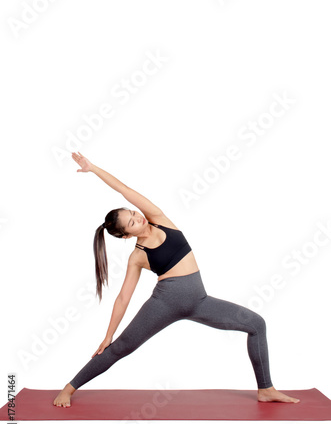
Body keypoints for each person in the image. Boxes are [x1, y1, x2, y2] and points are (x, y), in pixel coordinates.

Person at [53, 151, 300, 407]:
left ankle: (266, 388)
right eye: (131, 223)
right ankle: (69, 388)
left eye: (133, 213)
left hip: (200, 302)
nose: (137, 217)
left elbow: (124, 189)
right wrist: (108, 335)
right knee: (120, 347)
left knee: (256, 324)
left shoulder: (159, 219)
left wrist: (93, 168)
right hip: (164, 304)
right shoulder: (137, 256)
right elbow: (123, 297)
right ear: (127, 236)